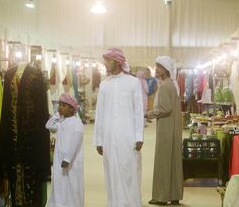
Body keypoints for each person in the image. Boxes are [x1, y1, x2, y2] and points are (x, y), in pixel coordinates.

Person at [93, 48, 144, 207]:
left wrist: (138, 136)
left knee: (129, 171)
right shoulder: (104, 85)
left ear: (116, 61)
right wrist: (99, 140)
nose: (105, 64)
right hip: (108, 137)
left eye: (107, 61)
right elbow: (99, 113)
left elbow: (138, 111)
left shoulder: (133, 82)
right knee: (112, 173)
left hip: (127, 136)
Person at [146, 56, 183, 205]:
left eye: (159, 67)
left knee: (163, 161)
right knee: (173, 161)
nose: (156, 69)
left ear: (166, 70)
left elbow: (165, 108)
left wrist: (148, 114)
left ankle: (161, 197)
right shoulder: (170, 84)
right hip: (172, 127)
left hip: (167, 128)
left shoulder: (165, 86)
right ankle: (174, 194)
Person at [46, 93, 84, 207]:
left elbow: (75, 143)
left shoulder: (77, 123)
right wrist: (57, 115)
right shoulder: (60, 122)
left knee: (72, 184)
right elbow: (48, 126)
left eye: (64, 105)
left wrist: (68, 158)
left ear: (72, 109)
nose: (60, 107)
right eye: (60, 105)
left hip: (72, 161)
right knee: (59, 183)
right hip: (59, 160)